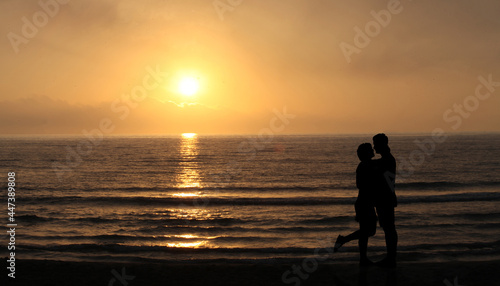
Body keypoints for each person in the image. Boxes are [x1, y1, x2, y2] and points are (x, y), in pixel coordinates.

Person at [333, 143, 377, 267]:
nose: (373, 150)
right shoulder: (365, 166)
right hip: (364, 202)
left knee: (365, 232)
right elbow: (360, 185)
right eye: (370, 149)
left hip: (363, 202)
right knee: (369, 231)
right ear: (367, 153)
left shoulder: (367, 165)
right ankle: (343, 240)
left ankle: (363, 259)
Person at [372, 133, 398, 268]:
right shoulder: (386, 159)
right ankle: (391, 256)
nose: (374, 147)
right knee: (388, 228)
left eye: (375, 144)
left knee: (389, 228)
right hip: (385, 197)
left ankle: (391, 257)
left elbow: (386, 181)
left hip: (385, 198)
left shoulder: (386, 160)